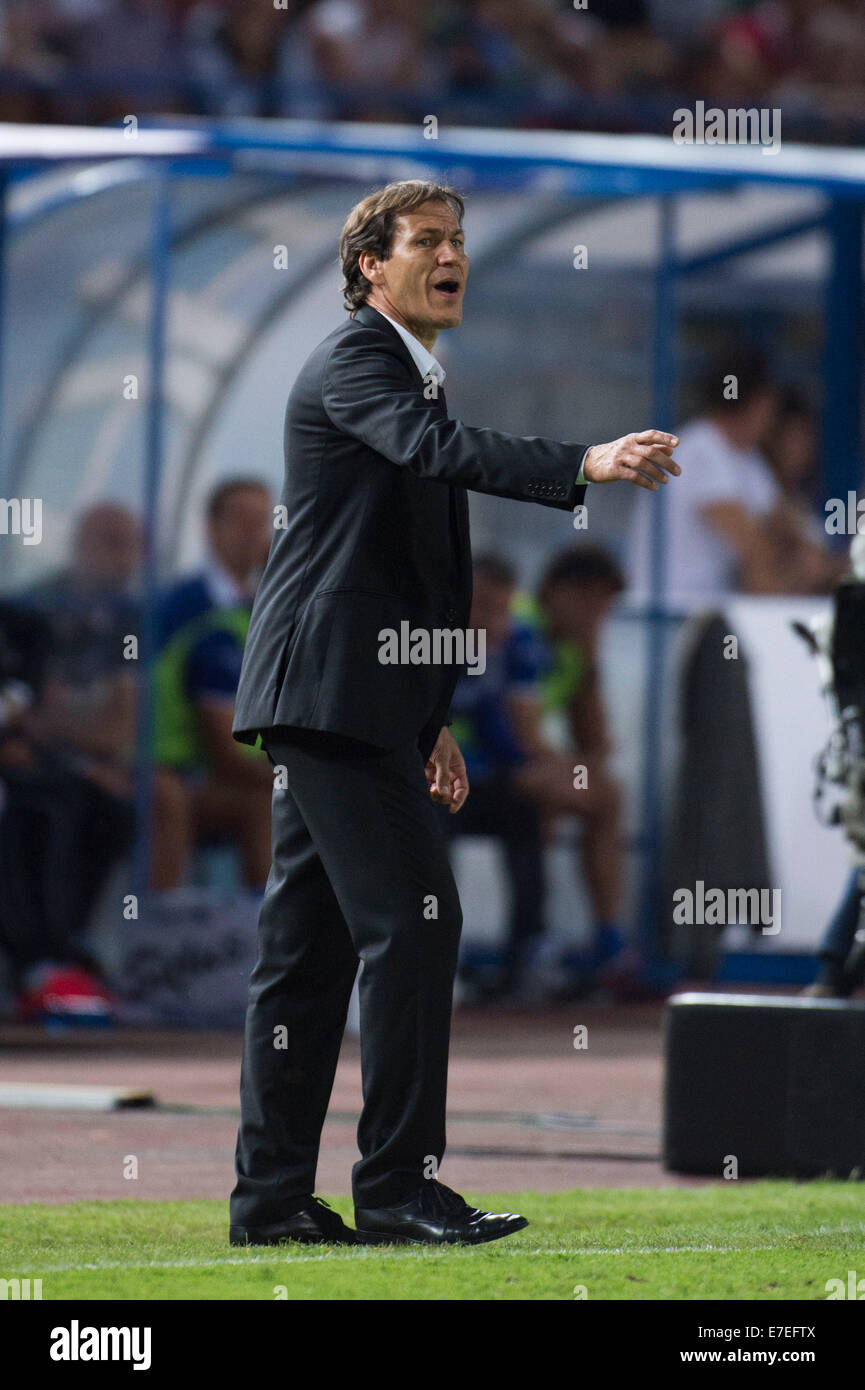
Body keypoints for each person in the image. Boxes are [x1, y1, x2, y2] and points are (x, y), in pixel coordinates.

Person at [228, 177, 681, 1248]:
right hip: (328, 694)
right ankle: (395, 1186)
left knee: (308, 954)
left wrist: (428, 713)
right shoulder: (360, 361)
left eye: (458, 241)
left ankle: (274, 1202)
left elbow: (411, 567)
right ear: (367, 268)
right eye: (426, 240)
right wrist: (582, 461)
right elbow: (438, 458)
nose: (451, 256)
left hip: (350, 697)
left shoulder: (410, 378)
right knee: (417, 927)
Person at [152, 478, 273, 892]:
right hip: (177, 770)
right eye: (241, 520)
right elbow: (223, 743)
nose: (253, 532)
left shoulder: (258, 607)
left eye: (262, 521)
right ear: (210, 527)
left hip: (224, 770)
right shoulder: (180, 607)